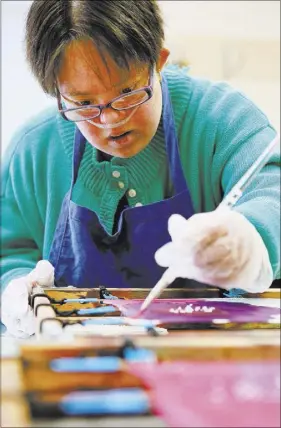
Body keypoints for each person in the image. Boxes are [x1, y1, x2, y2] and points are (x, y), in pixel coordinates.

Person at [1, 0, 280, 338]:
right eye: (84, 104)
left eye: (128, 92)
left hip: (209, 361)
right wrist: (13, 287)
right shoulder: (33, 149)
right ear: (56, 95)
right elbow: (9, 251)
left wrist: (252, 236)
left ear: (159, 63)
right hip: (80, 370)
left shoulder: (222, 119)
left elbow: (271, 189)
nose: (111, 120)